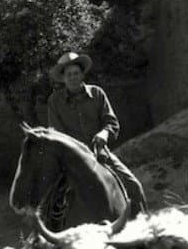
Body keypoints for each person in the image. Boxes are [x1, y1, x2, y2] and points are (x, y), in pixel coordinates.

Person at [46, 51, 147, 216]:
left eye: (76, 73)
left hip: (101, 156)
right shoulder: (54, 102)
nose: (73, 77)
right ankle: (47, 238)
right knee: (52, 203)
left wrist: (104, 134)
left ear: (82, 74)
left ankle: (144, 231)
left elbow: (112, 122)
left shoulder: (97, 94)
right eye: (69, 74)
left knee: (134, 186)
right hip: (72, 162)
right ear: (63, 78)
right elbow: (57, 135)